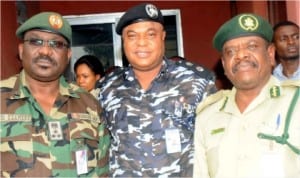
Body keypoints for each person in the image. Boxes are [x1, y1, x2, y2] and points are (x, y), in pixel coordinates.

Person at [98, 3, 217, 177]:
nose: (141, 43)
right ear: (123, 41)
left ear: (162, 37)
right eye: (132, 36)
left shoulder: (197, 82)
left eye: (150, 34)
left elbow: (216, 144)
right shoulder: (106, 88)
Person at [0, 12, 109, 177]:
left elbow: (103, 171)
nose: (45, 51)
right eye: (36, 42)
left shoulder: (90, 105)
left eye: (57, 44)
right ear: (21, 50)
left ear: (68, 56)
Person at [193, 13, 300, 178]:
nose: (241, 55)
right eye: (231, 51)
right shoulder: (207, 116)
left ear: (270, 54)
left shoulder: (296, 102)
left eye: (252, 46)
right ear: (224, 64)